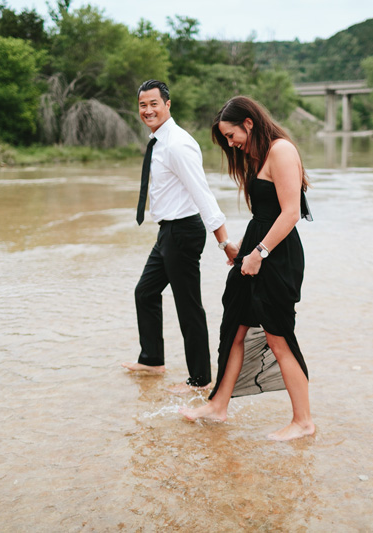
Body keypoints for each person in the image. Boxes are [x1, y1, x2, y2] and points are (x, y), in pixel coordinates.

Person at [179, 96, 315, 441]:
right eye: (225, 138)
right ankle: (218, 405)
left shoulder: (281, 150)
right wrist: (242, 247)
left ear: (249, 123)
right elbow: (264, 215)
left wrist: (259, 252)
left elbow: (290, 212)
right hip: (256, 248)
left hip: (277, 256)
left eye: (231, 135)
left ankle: (303, 421)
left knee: (278, 336)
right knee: (235, 325)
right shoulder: (255, 155)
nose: (230, 143)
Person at [122, 80, 239, 394]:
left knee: (188, 306)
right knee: (145, 293)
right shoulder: (160, 142)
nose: (148, 110)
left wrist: (224, 241)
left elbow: (203, 194)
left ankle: (200, 379)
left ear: (167, 104)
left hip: (184, 231)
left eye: (154, 104)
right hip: (168, 232)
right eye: (143, 105)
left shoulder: (177, 144)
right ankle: (152, 360)